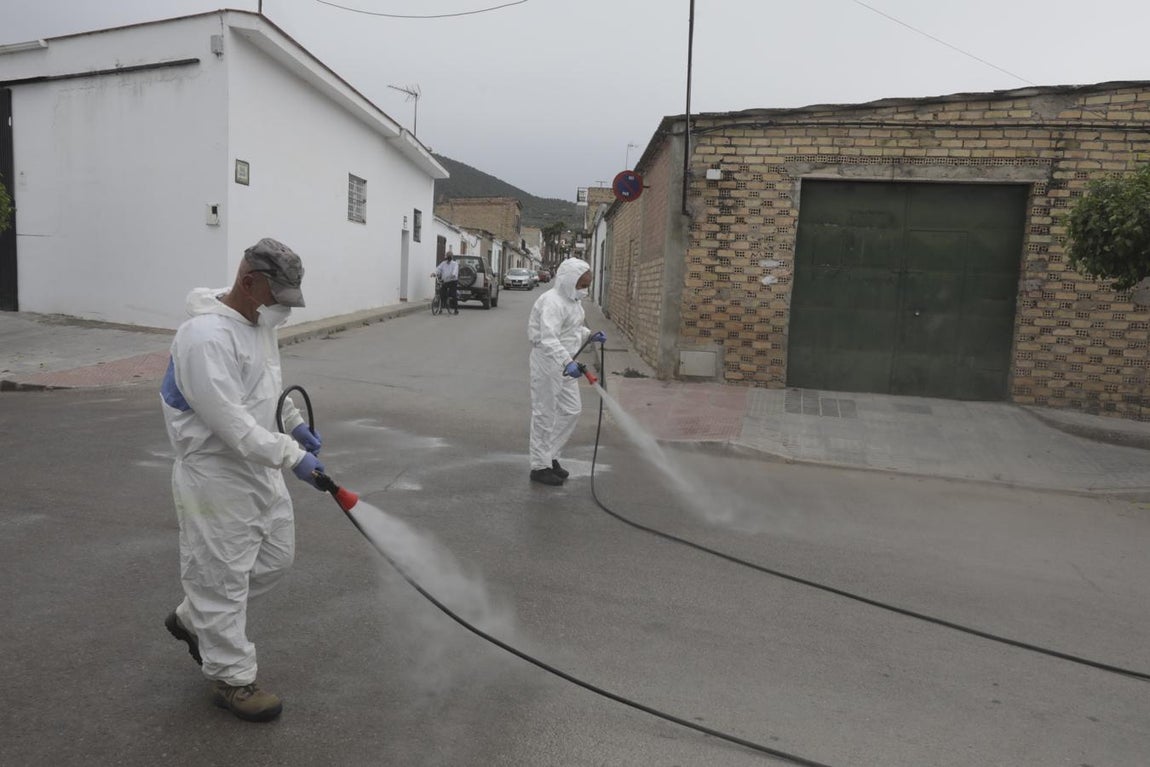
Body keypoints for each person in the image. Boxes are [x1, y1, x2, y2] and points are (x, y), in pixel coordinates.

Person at [159, 237, 328, 723]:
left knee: (276, 558)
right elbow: (231, 424)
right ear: (249, 282)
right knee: (222, 578)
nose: (284, 310)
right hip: (216, 476)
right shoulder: (205, 338)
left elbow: (265, 387)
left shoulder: (256, 323)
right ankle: (232, 679)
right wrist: (292, 454)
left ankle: (197, 617)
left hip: (259, 467)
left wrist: (292, 421)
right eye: (279, 297)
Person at [526, 258, 606, 486]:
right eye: (581, 284)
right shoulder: (551, 301)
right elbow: (548, 338)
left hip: (567, 362)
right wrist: (565, 361)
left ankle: (550, 456)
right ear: (569, 281)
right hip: (548, 362)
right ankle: (539, 466)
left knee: (572, 410)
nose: (584, 289)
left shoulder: (573, 302)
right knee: (545, 413)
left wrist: (589, 335)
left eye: (586, 285)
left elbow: (572, 329)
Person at [435, 250, 460, 315]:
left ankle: (456, 309)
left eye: (450, 256)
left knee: (453, 294)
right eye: (447, 256)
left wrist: (453, 275)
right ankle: (440, 308)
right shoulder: (443, 263)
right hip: (445, 281)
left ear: (451, 257)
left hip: (453, 281)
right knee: (442, 293)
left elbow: (455, 271)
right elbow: (438, 269)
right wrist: (434, 273)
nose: (448, 257)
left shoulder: (455, 264)